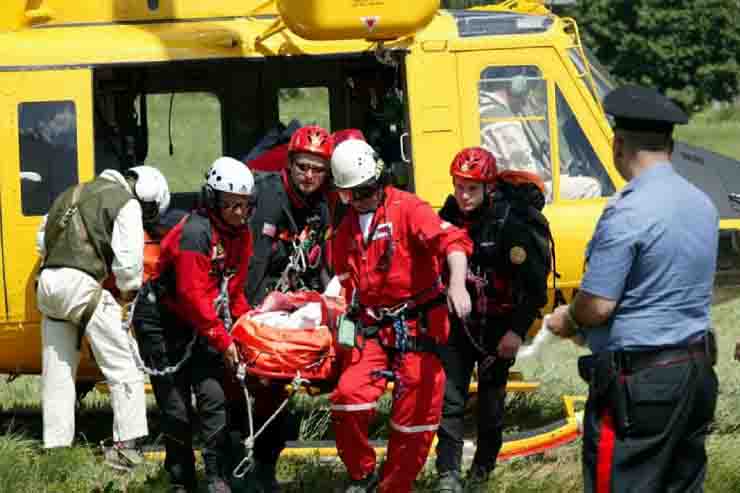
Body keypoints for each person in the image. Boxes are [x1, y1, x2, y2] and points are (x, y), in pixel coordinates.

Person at [547, 85, 719, 493]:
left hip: (640, 386)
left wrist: (568, 319)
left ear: (617, 144)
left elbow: (599, 306)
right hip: (696, 374)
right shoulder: (703, 204)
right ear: (670, 147)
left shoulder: (627, 211)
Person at [328, 139, 473, 493]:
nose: (358, 201)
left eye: (364, 193)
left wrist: (457, 285)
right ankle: (362, 474)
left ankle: (393, 486)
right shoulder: (345, 229)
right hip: (374, 330)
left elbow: (452, 242)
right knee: (347, 399)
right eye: (350, 195)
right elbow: (346, 284)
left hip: (417, 328)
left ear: (379, 182)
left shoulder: (408, 209)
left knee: (414, 420)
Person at [132, 157, 254, 493]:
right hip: (164, 322)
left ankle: (217, 476)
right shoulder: (195, 234)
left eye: (245, 205)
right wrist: (222, 339)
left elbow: (235, 291)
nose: (239, 213)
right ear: (214, 201)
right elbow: (191, 294)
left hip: (202, 323)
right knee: (177, 410)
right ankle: (181, 481)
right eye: (231, 205)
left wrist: (247, 329)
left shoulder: (242, 237)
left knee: (214, 397)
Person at [36, 165, 170, 467]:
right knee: (124, 364)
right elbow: (128, 267)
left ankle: (56, 450)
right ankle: (126, 446)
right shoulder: (126, 202)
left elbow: (41, 240)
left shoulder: (71, 193)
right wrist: (126, 296)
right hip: (80, 287)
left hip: (47, 285)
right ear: (146, 196)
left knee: (58, 373)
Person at [434, 148, 551, 492]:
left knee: (490, 404)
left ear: (488, 189)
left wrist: (515, 332)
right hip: (457, 326)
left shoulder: (510, 225)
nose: (463, 195)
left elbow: (533, 288)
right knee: (450, 399)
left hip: (498, 328)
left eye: (471, 188)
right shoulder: (448, 215)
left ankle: (481, 472)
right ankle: (448, 475)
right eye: (459, 187)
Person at [246, 125, 334, 306]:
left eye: (318, 170)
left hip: (294, 291)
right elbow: (256, 263)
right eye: (302, 167)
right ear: (289, 163)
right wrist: (251, 314)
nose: (309, 175)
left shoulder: (321, 206)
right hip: (259, 291)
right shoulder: (268, 195)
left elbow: (321, 266)